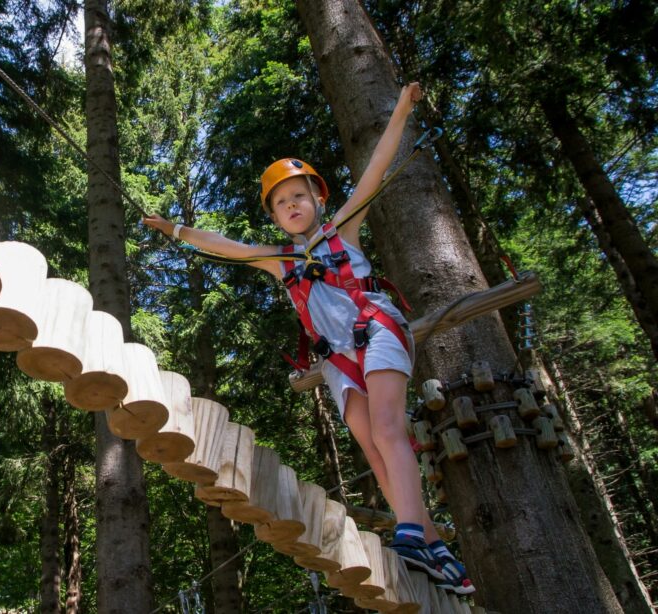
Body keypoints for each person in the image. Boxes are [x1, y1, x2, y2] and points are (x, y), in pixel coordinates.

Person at [143, 82, 474, 595]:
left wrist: (402, 108)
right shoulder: (282, 261)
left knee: (389, 428)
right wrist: (176, 231)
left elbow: (373, 173)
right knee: (372, 444)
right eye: (281, 203)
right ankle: (432, 545)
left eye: (299, 195)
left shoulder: (343, 228)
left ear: (318, 199)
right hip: (339, 360)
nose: (291, 205)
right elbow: (228, 247)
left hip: (376, 329)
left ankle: (409, 532)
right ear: (275, 217)